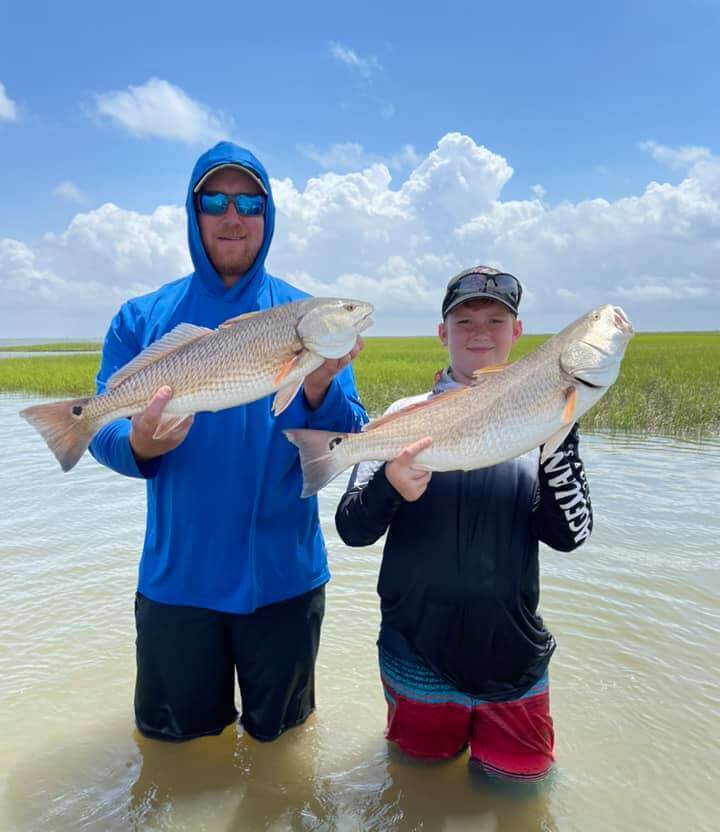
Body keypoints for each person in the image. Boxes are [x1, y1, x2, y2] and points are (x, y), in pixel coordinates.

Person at [91, 141, 366, 743]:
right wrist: (138, 444)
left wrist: (321, 386)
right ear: (193, 212)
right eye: (215, 200)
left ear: (268, 216)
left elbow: (348, 437)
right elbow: (101, 428)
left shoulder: (306, 315)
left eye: (250, 202)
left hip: (286, 581)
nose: (233, 216)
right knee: (173, 755)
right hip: (177, 583)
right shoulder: (141, 317)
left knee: (287, 750)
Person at [335, 266, 593, 782]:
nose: (480, 331)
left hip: (514, 661)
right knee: (415, 795)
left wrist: (558, 445)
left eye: (495, 320)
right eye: (465, 319)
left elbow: (570, 536)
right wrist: (390, 484)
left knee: (520, 802)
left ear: (517, 332)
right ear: (442, 332)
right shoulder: (402, 415)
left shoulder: (549, 416)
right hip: (415, 657)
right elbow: (351, 528)